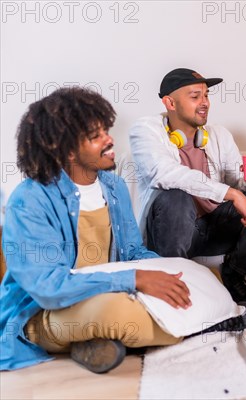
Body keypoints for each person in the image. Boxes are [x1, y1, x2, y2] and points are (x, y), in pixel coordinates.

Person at [0, 87, 189, 373]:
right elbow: (49, 289)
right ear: (66, 150)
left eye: (106, 130)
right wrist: (134, 278)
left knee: (187, 287)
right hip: (45, 311)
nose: (109, 140)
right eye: (95, 136)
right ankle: (188, 328)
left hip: (102, 293)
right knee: (118, 314)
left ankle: (95, 342)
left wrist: (169, 272)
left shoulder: (114, 187)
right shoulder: (29, 200)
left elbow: (134, 252)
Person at [129, 68, 246, 305]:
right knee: (175, 197)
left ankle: (234, 276)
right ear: (170, 102)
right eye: (195, 96)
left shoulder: (219, 135)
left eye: (206, 95)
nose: (204, 102)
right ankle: (177, 284)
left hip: (214, 226)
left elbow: (238, 181)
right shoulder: (146, 130)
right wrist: (231, 193)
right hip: (173, 228)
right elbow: (163, 173)